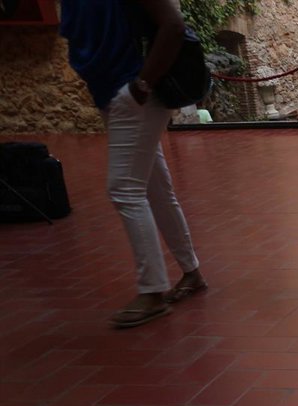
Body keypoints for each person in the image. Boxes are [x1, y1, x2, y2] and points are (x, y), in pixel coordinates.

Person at [60, 0, 208, 329]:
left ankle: (152, 291)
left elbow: (173, 24)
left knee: (124, 188)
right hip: (115, 94)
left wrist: (141, 86)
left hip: (135, 92)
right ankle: (191, 272)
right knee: (155, 188)